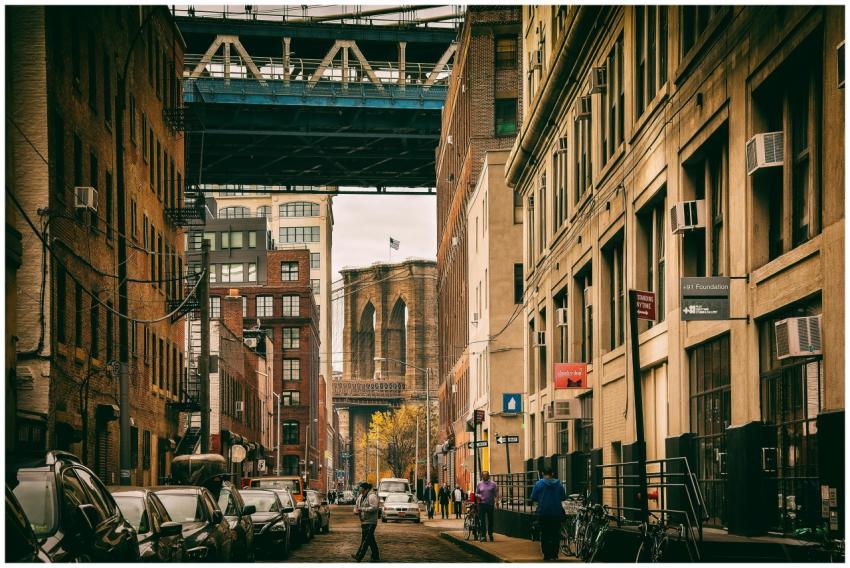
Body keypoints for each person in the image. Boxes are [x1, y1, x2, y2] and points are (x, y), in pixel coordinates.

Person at [530, 467, 567, 561]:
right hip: (556, 512)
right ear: (552, 474)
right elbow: (563, 497)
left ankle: (546, 554)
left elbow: (533, 497)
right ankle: (554, 554)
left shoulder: (539, 484)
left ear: (543, 473)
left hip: (543, 512)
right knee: (555, 533)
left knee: (545, 533)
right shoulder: (559, 485)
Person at [352, 481, 380, 562]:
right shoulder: (360, 496)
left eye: (361, 488)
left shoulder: (372, 496)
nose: (359, 489)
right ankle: (375, 556)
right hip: (364, 521)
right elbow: (356, 506)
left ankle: (359, 556)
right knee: (370, 539)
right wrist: (355, 511)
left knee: (366, 540)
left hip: (371, 522)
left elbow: (374, 508)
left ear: (366, 489)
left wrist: (362, 509)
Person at [476, 471, 498, 542]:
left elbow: (496, 495)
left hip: (490, 505)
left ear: (489, 476)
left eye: (486, 475)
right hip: (482, 505)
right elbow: (476, 493)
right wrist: (479, 496)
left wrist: (496, 503)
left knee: (490, 520)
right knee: (482, 520)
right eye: (483, 476)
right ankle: (483, 536)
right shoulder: (479, 484)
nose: (485, 477)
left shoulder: (493, 484)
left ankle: (490, 534)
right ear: (482, 476)